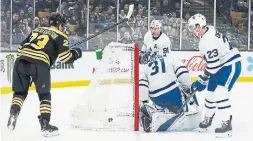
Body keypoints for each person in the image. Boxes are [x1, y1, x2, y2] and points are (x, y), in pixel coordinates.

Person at [7, 14, 82, 137]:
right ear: (59, 25)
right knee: (44, 95)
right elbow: (65, 58)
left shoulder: (37, 30)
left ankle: (13, 113)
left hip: (21, 61)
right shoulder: (61, 35)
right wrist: (75, 53)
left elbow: (20, 48)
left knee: (20, 93)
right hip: (40, 64)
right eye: (62, 26)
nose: (62, 28)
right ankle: (45, 124)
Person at [187, 13, 242, 137]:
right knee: (211, 92)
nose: (192, 30)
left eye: (193, 27)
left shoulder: (207, 40)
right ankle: (208, 118)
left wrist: (202, 80)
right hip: (221, 65)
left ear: (199, 26)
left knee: (220, 93)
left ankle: (226, 123)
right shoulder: (208, 32)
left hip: (230, 64)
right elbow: (213, 64)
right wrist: (204, 80)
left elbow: (213, 66)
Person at [139, 46, 201, 132]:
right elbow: (182, 73)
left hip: (156, 96)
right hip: (172, 92)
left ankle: (159, 114)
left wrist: (145, 102)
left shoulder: (145, 67)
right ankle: (179, 115)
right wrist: (189, 88)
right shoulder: (171, 59)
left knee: (159, 107)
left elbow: (143, 84)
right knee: (182, 110)